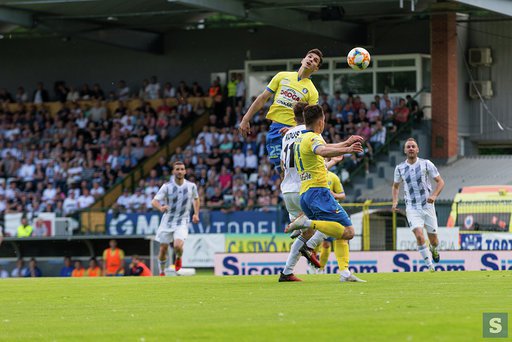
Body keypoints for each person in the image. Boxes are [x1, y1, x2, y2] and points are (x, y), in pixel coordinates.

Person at [284, 104, 365, 282]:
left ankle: (342, 271)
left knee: (335, 232)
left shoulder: (301, 139)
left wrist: (346, 142)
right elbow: (322, 150)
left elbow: (324, 147)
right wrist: (348, 150)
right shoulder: (313, 138)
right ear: (321, 122)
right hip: (318, 193)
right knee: (348, 231)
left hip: (306, 193)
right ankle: (306, 222)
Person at [239, 49, 323, 172]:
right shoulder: (282, 76)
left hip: (293, 132)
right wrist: (245, 119)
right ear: (302, 60)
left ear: (316, 69)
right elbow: (262, 98)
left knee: (293, 171)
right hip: (275, 130)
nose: (311, 60)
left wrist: (294, 130)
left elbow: (312, 120)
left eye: (315, 60)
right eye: (309, 57)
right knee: (281, 171)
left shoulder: (313, 91)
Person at [392, 137, 445, 271]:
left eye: (413, 146)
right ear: (405, 150)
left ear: (417, 150)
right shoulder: (400, 168)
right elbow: (396, 186)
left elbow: (440, 182)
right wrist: (395, 201)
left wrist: (433, 195)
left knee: (434, 241)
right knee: (419, 235)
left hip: (428, 207)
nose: (410, 148)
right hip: (412, 208)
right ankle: (430, 266)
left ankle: (434, 250)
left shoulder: (426, 164)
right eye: (408, 146)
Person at [151, 161, 200, 276]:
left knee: (178, 246)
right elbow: (154, 201)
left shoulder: (191, 186)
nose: (179, 171)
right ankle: (162, 272)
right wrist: (160, 207)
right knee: (163, 250)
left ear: (185, 171)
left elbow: (196, 199)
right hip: (167, 222)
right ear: (173, 171)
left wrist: (196, 213)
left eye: (182, 169)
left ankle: (178, 257)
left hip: (182, 221)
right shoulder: (167, 187)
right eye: (177, 169)